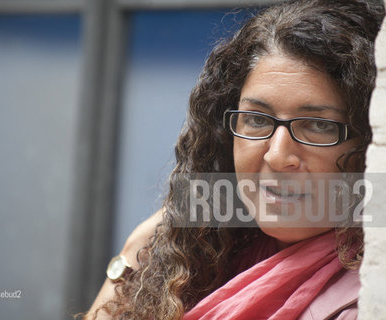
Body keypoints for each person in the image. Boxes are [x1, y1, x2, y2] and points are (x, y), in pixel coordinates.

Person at [85, 0, 385, 319]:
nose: (278, 155)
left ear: (369, 139)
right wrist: (134, 254)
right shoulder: (210, 253)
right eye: (256, 119)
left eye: (319, 126)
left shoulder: (366, 297)